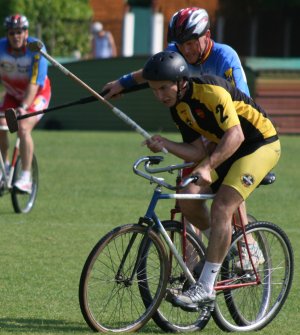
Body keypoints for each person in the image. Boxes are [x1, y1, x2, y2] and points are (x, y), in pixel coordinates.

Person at [102, 7, 255, 248]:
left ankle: (247, 248)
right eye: (181, 43)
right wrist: (122, 84)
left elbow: (242, 110)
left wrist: (215, 148)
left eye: (191, 42)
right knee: (186, 198)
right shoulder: (177, 52)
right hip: (198, 132)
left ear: (207, 34)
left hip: (232, 131)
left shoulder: (225, 57)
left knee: (225, 187)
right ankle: (198, 263)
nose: (186, 49)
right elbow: (153, 72)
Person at [142, 50, 281, 310]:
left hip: (260, 144)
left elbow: (236, 136)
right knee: (189, 200)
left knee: (222, 207)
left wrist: (207, 166)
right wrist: (165, 144)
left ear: (181, 81)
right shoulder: (179, 108)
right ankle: (224, 245)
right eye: (154, 90)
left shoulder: (210, 91)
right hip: (226, 149)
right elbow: (196, 150)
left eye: (163, 89)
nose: (160, 96)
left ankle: (205, 288)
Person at [0, 14, 51, 193]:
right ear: (8, 34)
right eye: (12, 33)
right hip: (12, 95)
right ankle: (4, 168)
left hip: (37, 94)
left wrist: (23, 107)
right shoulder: (0, 49)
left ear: (26, 32)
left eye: (20, 32)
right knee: (1, 126)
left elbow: (35, 83)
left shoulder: (36, 48)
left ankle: (26, 177)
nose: (16, 36)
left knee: (22, 128)